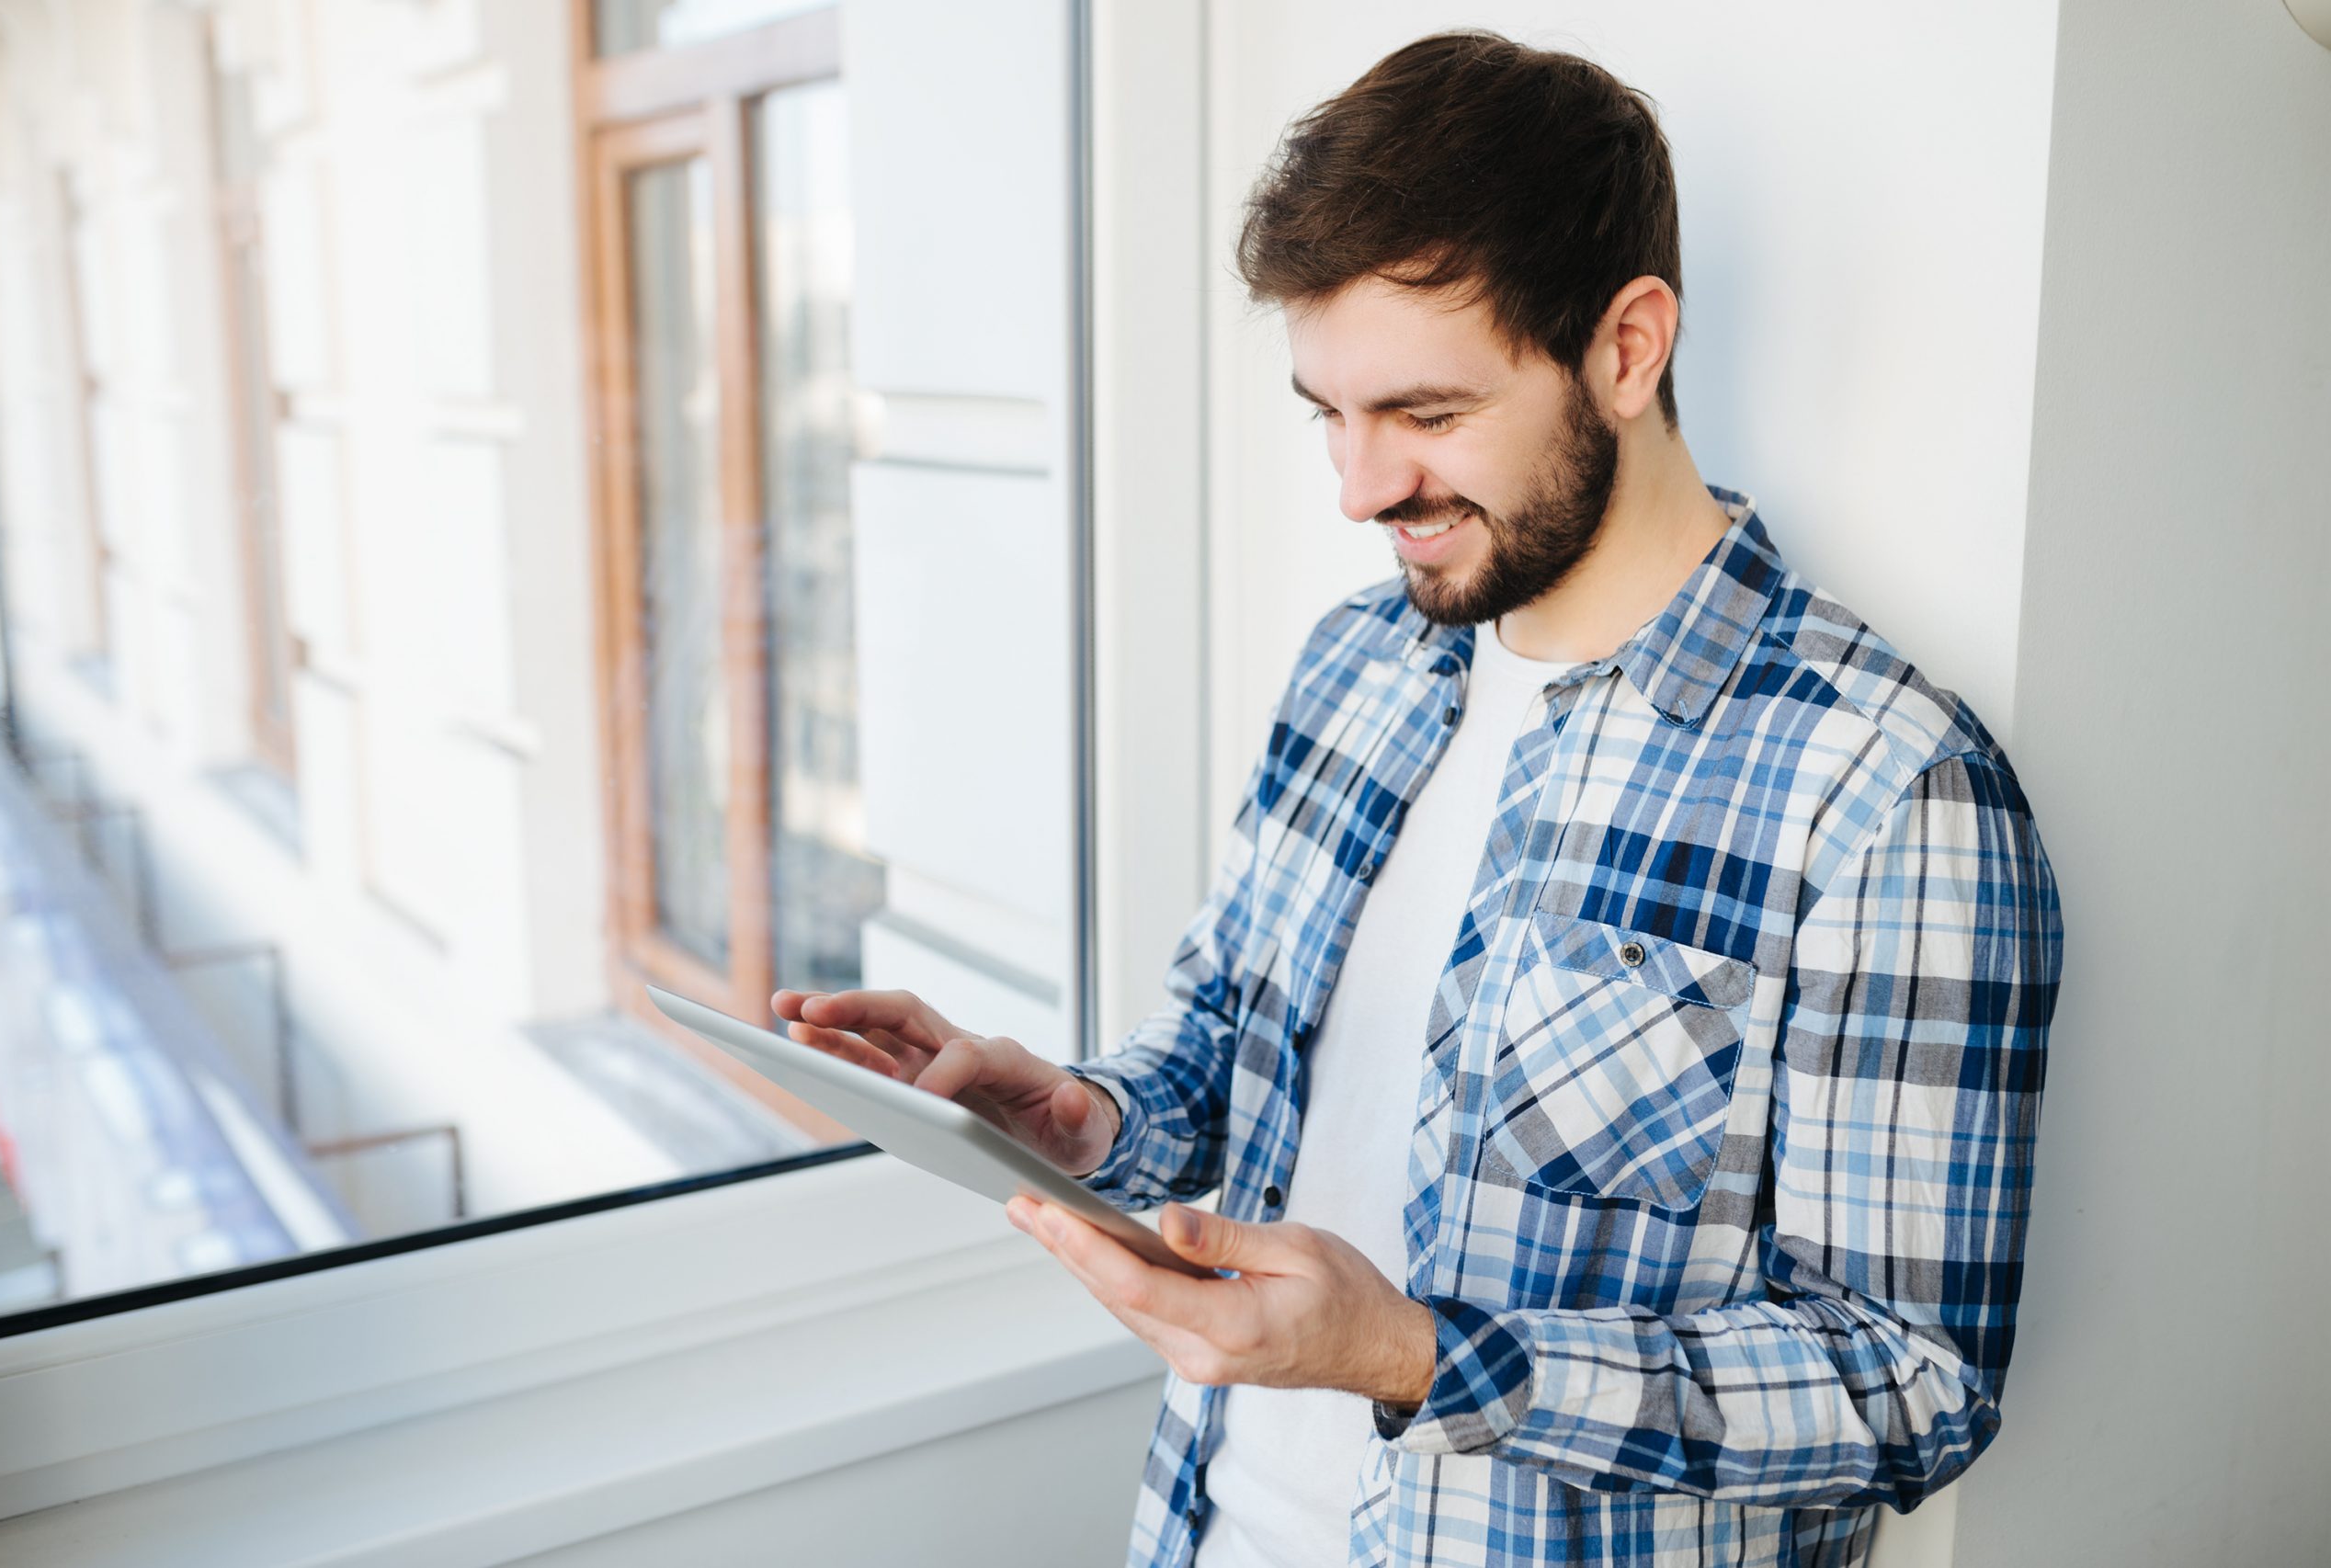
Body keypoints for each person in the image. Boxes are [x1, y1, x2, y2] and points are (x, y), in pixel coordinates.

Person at [771, 29, 2063, 1568]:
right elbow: (1234, 1049)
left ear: (1627, 348)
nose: (1358, 488)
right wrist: (1077, 1112)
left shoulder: (1889, 788)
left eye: (1427, 416)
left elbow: (1906, 1384)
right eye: (1328, 412)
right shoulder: (1358, 667)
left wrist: (1416, 1355)